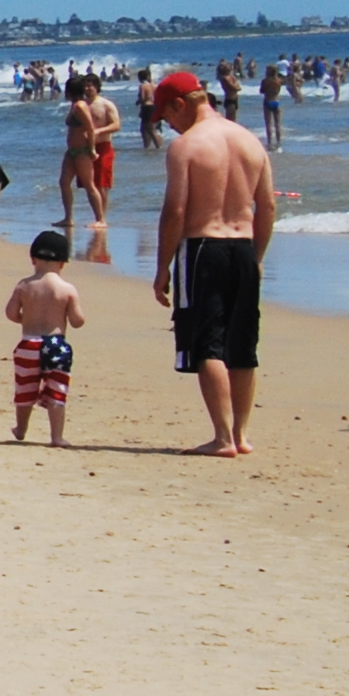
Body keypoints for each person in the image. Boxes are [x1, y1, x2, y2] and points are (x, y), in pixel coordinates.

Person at [148, 67, 274, 457]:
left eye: (166, 116)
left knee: (207, 344)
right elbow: (266, 205)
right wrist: (257, 257)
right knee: (242, 344)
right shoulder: (250, 140)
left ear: (179, 105)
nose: (168, 125)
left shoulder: (187, 146)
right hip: (243, 247)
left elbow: (175, 211)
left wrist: (162, 267)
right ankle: (241, 435)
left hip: (203, 247)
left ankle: (221, 437)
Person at [2, 227, 84, 446]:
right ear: (63, 263)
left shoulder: (24, 285)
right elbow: (77, 320)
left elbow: (10, 313)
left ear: (32, 259)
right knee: (57, 391)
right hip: (56, 344)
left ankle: (21, 429)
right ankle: (56, 437)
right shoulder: (67, 289)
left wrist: (26, 320)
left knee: (25, 389)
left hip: (29, 343)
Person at [59, 72, 118, 262]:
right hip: (72, 151)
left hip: (83, 151)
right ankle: (69, 217)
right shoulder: (74, 105)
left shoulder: (81, 106)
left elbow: (90, 128)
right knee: (63, 183)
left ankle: (101, 219)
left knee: (91, 184)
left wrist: (92, 148)